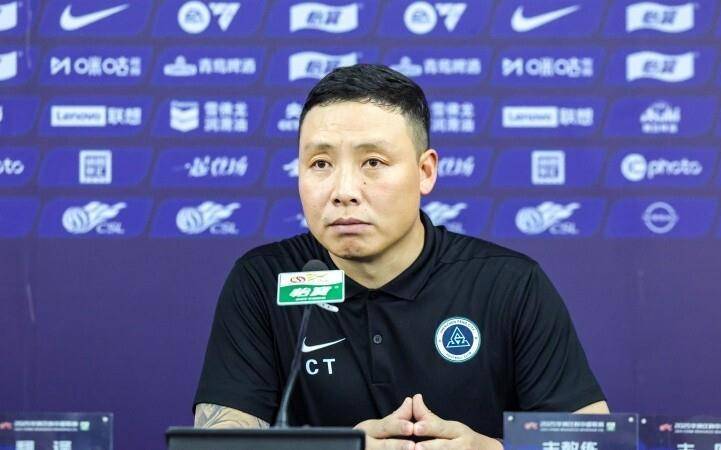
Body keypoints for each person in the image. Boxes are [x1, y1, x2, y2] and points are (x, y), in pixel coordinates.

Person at [193, 64, 609, 450]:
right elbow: (215, 444)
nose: (344, 191)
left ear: (425, 172)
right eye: (320, 163)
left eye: (373, 162)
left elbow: (593, 440)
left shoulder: (509, 284)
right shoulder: (265, 280)